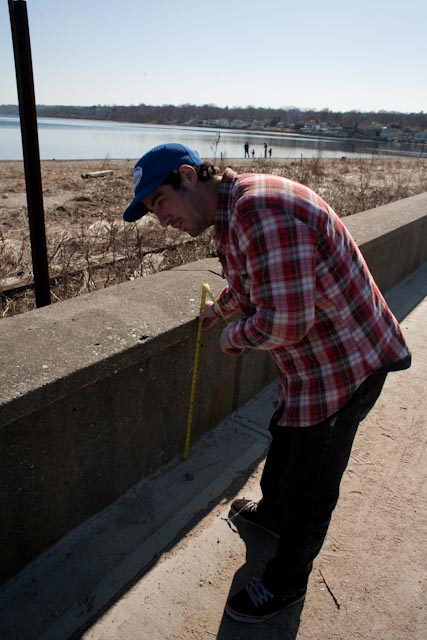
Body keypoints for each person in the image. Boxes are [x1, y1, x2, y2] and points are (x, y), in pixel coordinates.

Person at [123, 143, 411, 624]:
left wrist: (233, 337)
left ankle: (287, 582)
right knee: (285, 438)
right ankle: (273, 515)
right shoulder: (234, 214)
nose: (162, 220)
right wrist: (222, 309)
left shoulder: (259, 210)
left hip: (346, 365)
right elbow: (255, 281)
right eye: (154, 212)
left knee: (311, 484)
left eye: (160, 203)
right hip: (313, 364)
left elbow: (287, 322)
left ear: (188, 176)